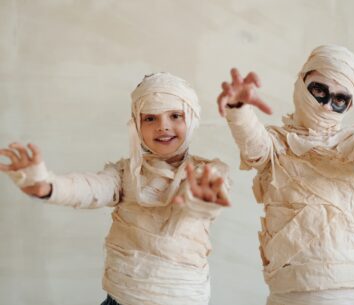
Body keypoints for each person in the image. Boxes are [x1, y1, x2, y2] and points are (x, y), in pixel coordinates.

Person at [217, 45, 354, 305]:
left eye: (339, 100)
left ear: (349, 104)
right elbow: (254, 145)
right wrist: (239, 109)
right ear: (301, 84)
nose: (326, 106)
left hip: (352, 291)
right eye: (318, 91)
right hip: (289, 294)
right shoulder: (277, 144)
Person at [0, 72, 230, 305]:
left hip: (181, 297)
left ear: (192, 118)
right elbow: (91, 188)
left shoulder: (209, 171)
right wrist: (47, 186)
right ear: (136, 124)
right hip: (120, 298)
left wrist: (202, 200)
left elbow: (209, 198)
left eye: (175, 115)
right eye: (150, 118)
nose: (163, 126)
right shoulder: (125, 173)